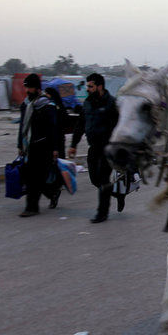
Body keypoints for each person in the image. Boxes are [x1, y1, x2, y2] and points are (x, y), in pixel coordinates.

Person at [68, 73, 120, 223]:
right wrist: (73, 145)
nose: (87, 89)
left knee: (103, 177)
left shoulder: (112, 103)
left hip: (108, 147)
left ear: (100, 86)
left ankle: (102, 213)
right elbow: (79, 125)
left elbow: (120, 126)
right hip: (93, 147)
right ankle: (111, 191)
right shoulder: (87, 103)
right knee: (95, 179)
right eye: (87, 86)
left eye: (90, 86)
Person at [17, 73, 60, 217]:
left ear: (36, 88)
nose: (27, 90)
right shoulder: (26, 105)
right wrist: (19, 145)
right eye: (26, 87)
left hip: (44, 147)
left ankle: (32, 207)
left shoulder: (47, 105)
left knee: (36, 179)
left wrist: (55, 148)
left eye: (29, 87)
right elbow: (22, 126)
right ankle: (52, 194)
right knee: (32, 178)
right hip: (29, 146)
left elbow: (53, 127)